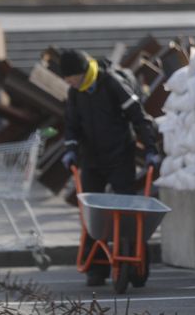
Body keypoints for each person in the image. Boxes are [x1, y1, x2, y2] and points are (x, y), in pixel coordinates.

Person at [59, 49, 161, 286]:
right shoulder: (76, 92)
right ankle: (96, 267)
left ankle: (136, 264)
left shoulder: (112, 83)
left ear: (82, 72)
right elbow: (72, 124)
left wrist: (150, 148)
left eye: (70, 77)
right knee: (91, 214)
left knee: (127, 213)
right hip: (91, 160)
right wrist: (71, 148)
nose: (68, 82)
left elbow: (138, 117)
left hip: (119, 157)